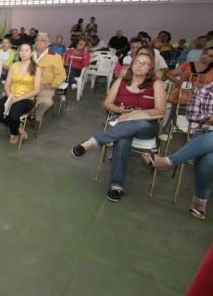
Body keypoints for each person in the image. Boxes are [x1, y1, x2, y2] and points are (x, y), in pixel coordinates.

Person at [144, 58, 213, 219]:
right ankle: (200, 202)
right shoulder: (205, 90)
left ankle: (169, 161)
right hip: (206, 134)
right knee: (211, 156)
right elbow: (191, 114)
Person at [71, 52, 166, 202]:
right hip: (121, 122)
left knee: (136, 124)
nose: (140, 66)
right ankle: (117, 186)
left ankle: (93, 141)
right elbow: (107, 104)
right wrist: (120, 110)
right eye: (137, 62)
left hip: (146, 125)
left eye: (145, 64)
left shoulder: (156, 84)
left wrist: (135, 113)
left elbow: (160, 111)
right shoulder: (121, 81)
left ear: (150, 68)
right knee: (122, 141)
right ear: (132, 64)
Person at [0, 44, 41, 143]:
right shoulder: (14, 65)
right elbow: (7, 84)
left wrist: (18, 98)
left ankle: (14, 133)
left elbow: (36, 90)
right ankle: (18, 127)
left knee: (13, 115)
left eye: (27, 50)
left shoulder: (36, 68)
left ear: (31, 53)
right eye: (21, 50)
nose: (23, 53)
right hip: (12, 95)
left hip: (27, 98)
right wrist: (10, 96)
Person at [33, 33, 66, 125]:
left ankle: (38, 114)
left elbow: (61, 75)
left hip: (44, 87)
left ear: (48, 43)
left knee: (47, 102)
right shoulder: (29, 54)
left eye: (42, 41)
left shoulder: (55, 57)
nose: (39, 42)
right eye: (37, 40)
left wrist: (53, 85)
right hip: (29, 86)